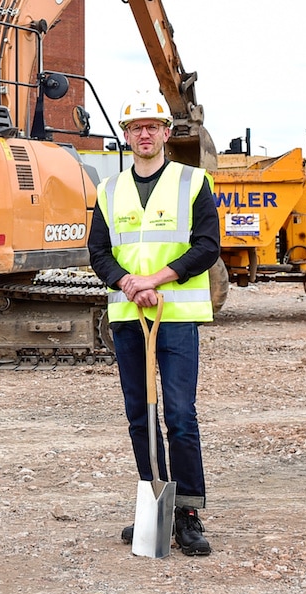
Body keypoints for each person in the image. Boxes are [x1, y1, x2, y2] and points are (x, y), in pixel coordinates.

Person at [87, 91, 220, 556]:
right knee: (140, 417)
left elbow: (207, 247)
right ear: (126, 136)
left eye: (153, 126)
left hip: (176, 316)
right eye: (135, 127)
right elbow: (98, 252)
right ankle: (152, 505)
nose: (144, 133)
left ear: (166, 132)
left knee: (180, 417)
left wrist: (156, 279)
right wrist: (127, 283)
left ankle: (187, 513)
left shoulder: (193, 181)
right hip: (130, 317)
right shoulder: (109, 189)